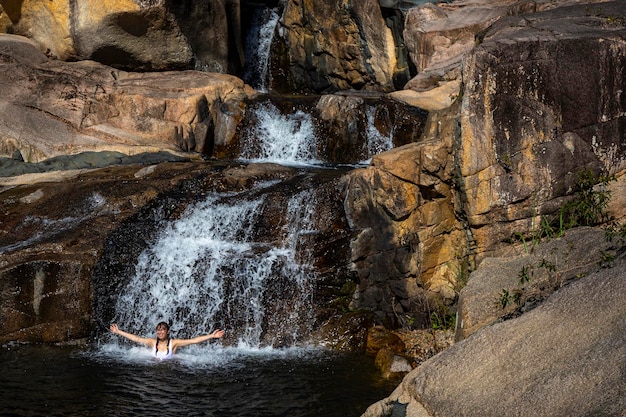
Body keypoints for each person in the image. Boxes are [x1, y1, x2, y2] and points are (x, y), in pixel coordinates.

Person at [110, 322, 225, 360]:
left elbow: (193, 341)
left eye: (162, 331)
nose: (159, 333)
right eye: (158, 331)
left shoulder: (174, 343)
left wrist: (211, 336)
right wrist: (118, 331)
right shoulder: (152, 342)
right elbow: (136, 338)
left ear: (168, 331)